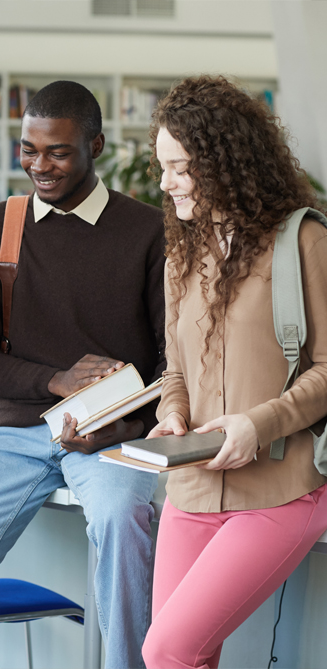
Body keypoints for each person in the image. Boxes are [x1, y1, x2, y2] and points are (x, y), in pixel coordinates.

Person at [0, 80, 166, 669]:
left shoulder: (149, 230)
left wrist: (125, 426)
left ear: (96, 146)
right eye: (29, 150)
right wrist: (56, 380)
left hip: (112, 443)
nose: (39, 165)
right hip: (17, 437)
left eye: (56, 151)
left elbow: (171, 362)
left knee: (122, 520)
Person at [142, 75, 327, 669]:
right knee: (184, 658)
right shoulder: (182, 253)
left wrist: (258, 425)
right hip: (191, 490)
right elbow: (175, 368)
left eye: (180, 167)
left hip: (282, 491)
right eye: (161, 166)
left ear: (224, 161)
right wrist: (172, 413)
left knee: (167, 650)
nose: (165, 182)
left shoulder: (305, 242)